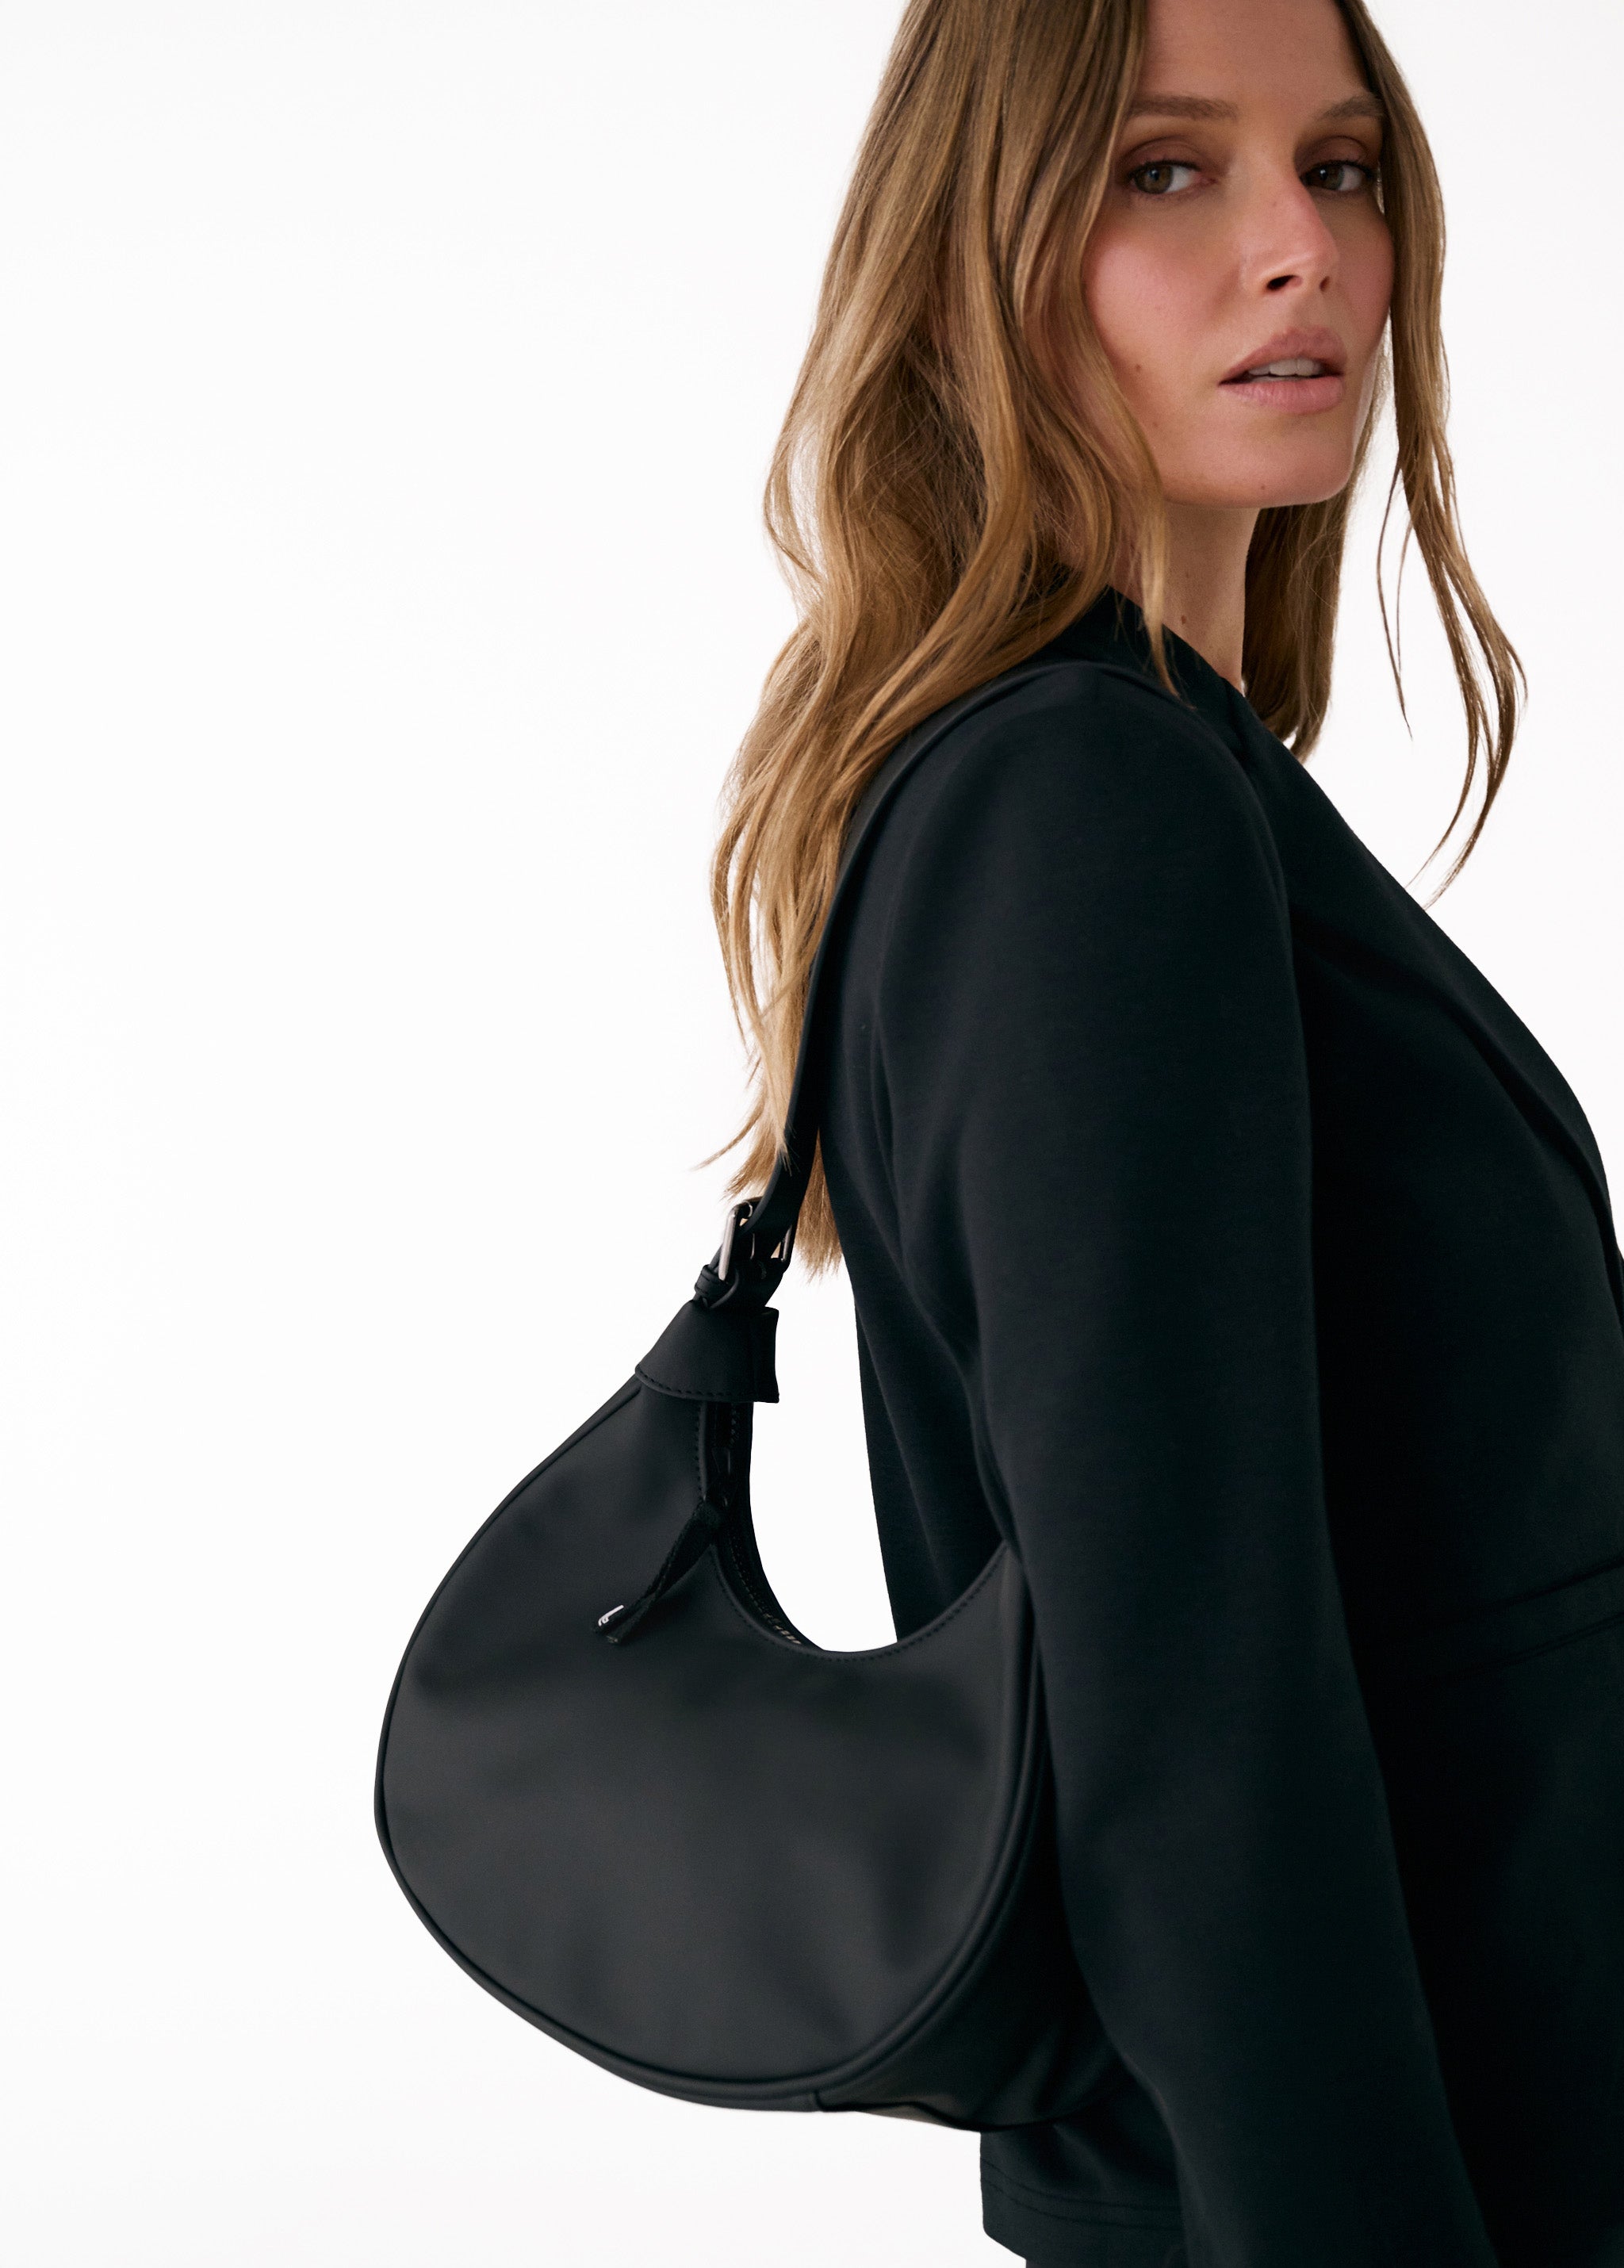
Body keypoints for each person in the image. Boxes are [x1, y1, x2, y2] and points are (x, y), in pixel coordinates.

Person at [709, 2, 1624, 2266]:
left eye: (1343, 166)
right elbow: (1193, 1721)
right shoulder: (1088, 807)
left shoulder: (1140, 776)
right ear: (983, 250)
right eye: (1167, 171)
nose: (1300, 247)